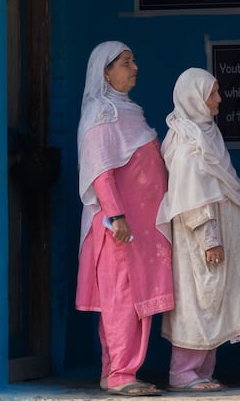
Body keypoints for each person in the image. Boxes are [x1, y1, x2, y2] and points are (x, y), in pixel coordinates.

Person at [75, 41, 174, 396]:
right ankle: (121, 375)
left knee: (128, 300)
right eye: (126, 62)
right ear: (106, 71)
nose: (135, 68)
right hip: (121, 229)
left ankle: (112, 372)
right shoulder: (102, 112)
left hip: (139, 230)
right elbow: (101, 171)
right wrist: (116, 216)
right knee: (121, 300)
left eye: (134, 61)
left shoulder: (127, 110)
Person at [158, 68, 240, 392]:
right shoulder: (186, 143)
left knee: (212, 300)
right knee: (198, 299)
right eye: (212, 93)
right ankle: (183, 373)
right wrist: (209, 239)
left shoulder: (206, 135)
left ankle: (202, 371)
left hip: (218, 238)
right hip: (200, 241)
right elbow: (191, 196)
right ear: (194, 99)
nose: (219, 99)